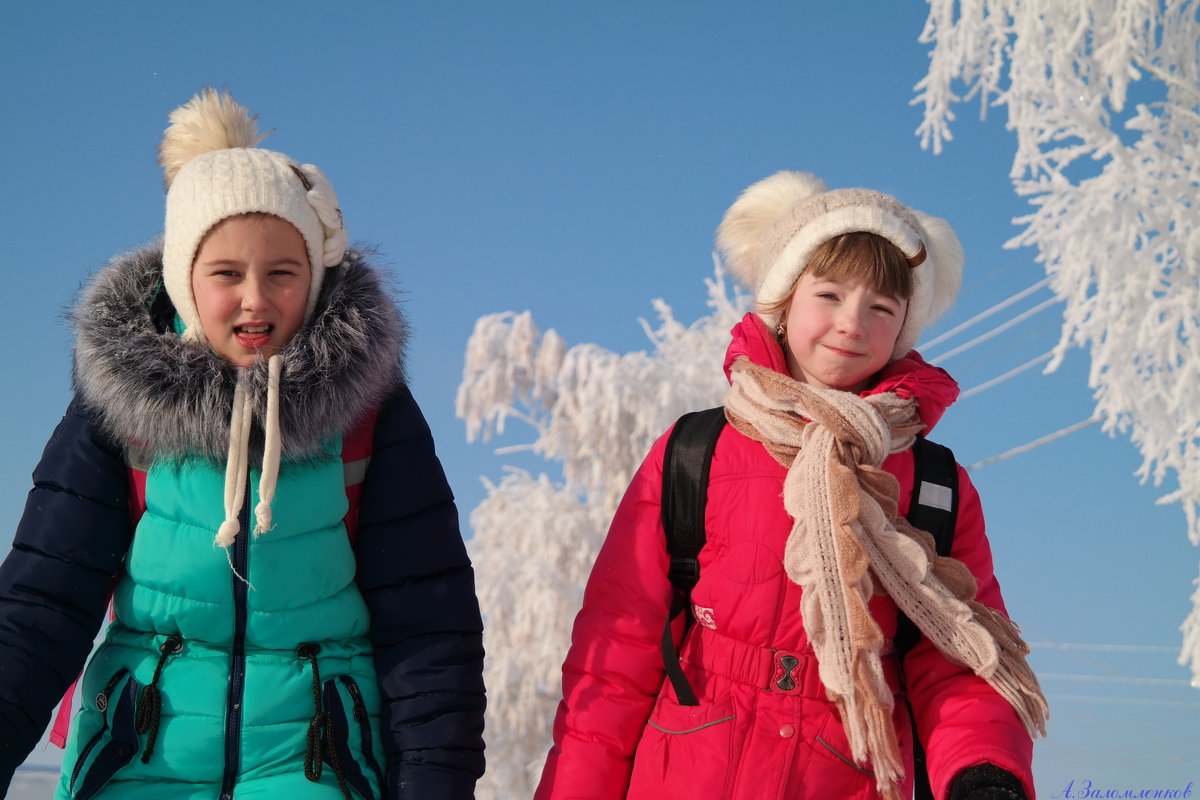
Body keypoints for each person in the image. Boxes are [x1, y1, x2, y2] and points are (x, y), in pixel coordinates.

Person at [0, 88, 485, 800]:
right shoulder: (118, 408)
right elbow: (41, 607)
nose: (255, 299)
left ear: (313, 281)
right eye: (226, 273)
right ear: (185, 282)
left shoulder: (372, 412)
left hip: (318, 766)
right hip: (138, 763)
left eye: (281, 273)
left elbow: (429, 628)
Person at [534, 171, 1048, 800]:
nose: (852, 323)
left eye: (882, 307)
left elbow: (959, 655)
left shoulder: (936, 487)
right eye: (829, 294)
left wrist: (983, 772)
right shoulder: (697, 451)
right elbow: (614, 657)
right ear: (782, 303)